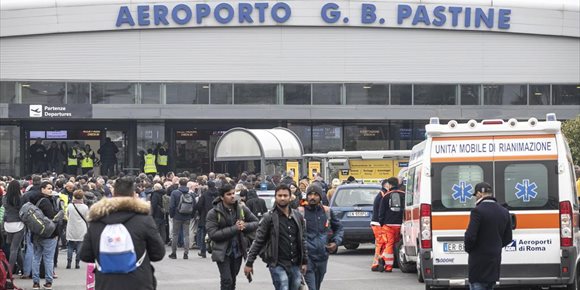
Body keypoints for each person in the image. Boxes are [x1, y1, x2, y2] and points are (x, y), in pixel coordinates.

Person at [79, 177, 165, 290]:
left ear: (113, 193)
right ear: (134, 195)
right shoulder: (144, 220)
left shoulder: (97, 221)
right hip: (139, 281)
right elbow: (158, 253)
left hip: (106, 282)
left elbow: (85, 255)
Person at [244, 184, 308, 290]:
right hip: (277, 263)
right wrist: (249, 263)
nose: (282, 198)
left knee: (296, 287)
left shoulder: (298, 217)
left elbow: (303, 240)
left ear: (290, 197)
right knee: (283, 286)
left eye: (285, 195)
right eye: (280, 195)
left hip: (295, 263)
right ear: (276, 197)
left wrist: (304, 261)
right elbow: (258, 241)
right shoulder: (268, 217)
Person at [206, 184, 259, 290]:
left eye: (233, 193)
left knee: (232, 280)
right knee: (227, 280)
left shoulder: (241, 208)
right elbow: (213, 234)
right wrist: (235, 228)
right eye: (228, 194)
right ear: (222, 197)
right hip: (222, 251)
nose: (232, 196)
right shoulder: (214, 213)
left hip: (238, 251)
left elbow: (256, 222)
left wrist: (245, 225)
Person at [465, 182, 512, 290]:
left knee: (478, 285)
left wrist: (469, 249)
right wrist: (495, 246)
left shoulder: (477, 211)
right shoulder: (504, 211)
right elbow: (508, 238)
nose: (475, 197)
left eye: (475, 195)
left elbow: (470, 236)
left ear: (479, 194)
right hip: (494, 261)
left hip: (478, 261)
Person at [300, 184, 343, 290]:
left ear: (320, 196)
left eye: (315, 195)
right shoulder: (300, 212)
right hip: (307, 256)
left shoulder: (327, 211)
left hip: (323, 256)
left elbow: (339, 228)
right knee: (312, 287)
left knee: (317, 285)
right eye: (310, 194)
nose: (312, 197)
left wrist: (335, 242)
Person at [30, 181, 61, 290]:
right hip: (49, 234)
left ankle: (35, 282)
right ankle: (48, 282)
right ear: (42, 189)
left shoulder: (34, 201)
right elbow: (52, 218)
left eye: (51, 188)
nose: (50, 190)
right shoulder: (46, 202)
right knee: (48, 259)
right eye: (48, 188)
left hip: (36, 234)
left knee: (36, 258)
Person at [377, 177, 404, 272]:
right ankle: (401, 262)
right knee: (399, 245)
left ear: (390, 185)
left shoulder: (386, 196)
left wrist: (382, 223)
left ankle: (387, 265)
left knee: (389, 244)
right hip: (401, 225)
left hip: (388, 225)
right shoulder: (404, 195)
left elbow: (381, 212)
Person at [168, 178, 195, 260]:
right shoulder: (191, 194)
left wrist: (172, 215)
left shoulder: (175, 193)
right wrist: (191, 215)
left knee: (175, 234)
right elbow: (194, 205)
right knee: (186, 235)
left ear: (179, 184)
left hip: (177, 216)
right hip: (187, 216)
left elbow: (171, 205)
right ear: (187, 184)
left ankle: (174, 253)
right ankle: (186, 253)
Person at [3, 180, 25, 274]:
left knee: (17, 248)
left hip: (7, 224)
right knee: (14, 249)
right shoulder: (20, 198)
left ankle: (24, 268)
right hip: (18, 224)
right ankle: (10, 272)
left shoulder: (5, 198)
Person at [65, 189, 88, 269]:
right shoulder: (85, 207)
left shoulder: (70, 206)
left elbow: (67, 215)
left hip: (71, 226)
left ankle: (69, 262)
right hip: (81, 227)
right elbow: (87, 217)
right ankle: (77, 262)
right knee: (80, 245)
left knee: (70, 245)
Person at [195, 180, 218, 258]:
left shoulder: (204, 195)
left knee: (204, 234)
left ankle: (203, 251)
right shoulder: (218, 194)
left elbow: (199, 205)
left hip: (206, 216)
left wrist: (201, 212)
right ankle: (216, 251)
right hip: (217, 216)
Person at [370, 179, 388, 272]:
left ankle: (378, 262)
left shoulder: (381, 194)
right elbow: (382, 210)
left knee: (381, 244)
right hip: (378, 223)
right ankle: (376, 263)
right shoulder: (383, 195)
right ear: (386, 185)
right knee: (381, 244)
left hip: (376, 223)